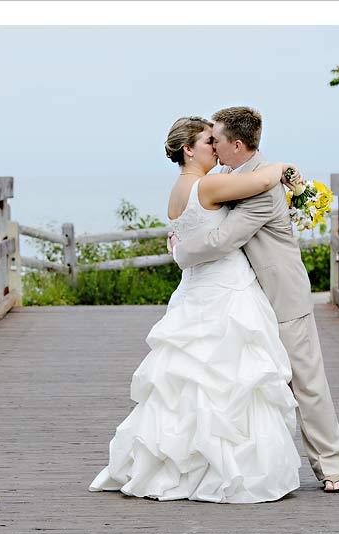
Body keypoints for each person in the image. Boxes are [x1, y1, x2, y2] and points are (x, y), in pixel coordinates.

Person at [89, 116, 304, 503]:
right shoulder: (207, 185)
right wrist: (285, 167)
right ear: (189, 150)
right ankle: (229, 469)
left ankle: (183, 462)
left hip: (194, 291)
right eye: (209, 142)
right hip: (227, 290)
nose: (216, 149)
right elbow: (261, 181)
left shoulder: (178, 190)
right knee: (232, 380)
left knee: (188, 385)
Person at [170, 107, 339, 493]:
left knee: (306, 382)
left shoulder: (263, 187)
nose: (213, 146)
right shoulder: (231, 178)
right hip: (243, 297)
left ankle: (331, 468)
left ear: (236, 145)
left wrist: (180, 251)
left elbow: (223, 239)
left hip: (280, 294)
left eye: (217, 140)